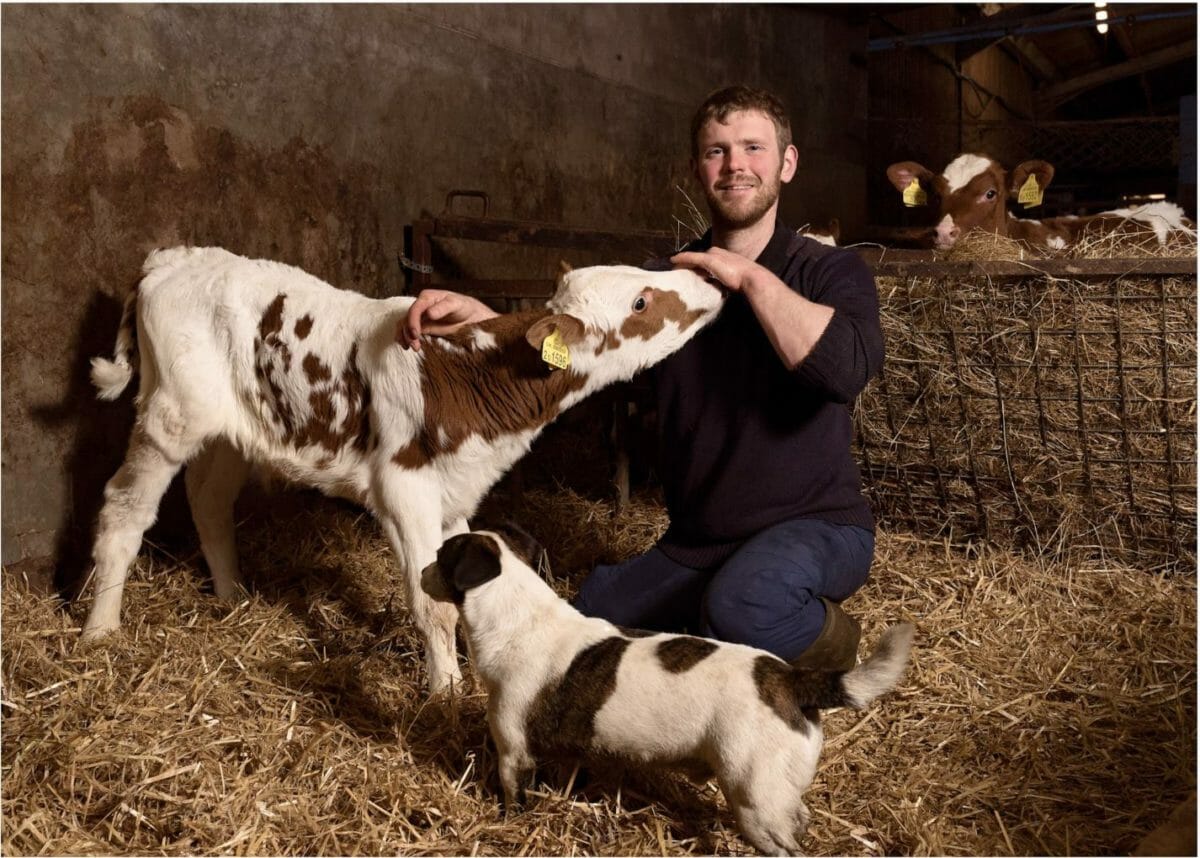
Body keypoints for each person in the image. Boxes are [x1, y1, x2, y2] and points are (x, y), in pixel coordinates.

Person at [399, 85, 883, 670]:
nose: (735, 166)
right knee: (588, 622)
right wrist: (487, 323)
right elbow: (573, 360)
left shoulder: (829, 271)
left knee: (745, 608)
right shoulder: (662, 288)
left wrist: (750, 280)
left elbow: (845, 371)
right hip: (702, 539)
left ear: (786, 162)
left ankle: (834, 644)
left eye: (753, 148)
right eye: (716, 152)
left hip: (816, 526)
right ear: (696, 170)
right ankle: (715, 607)